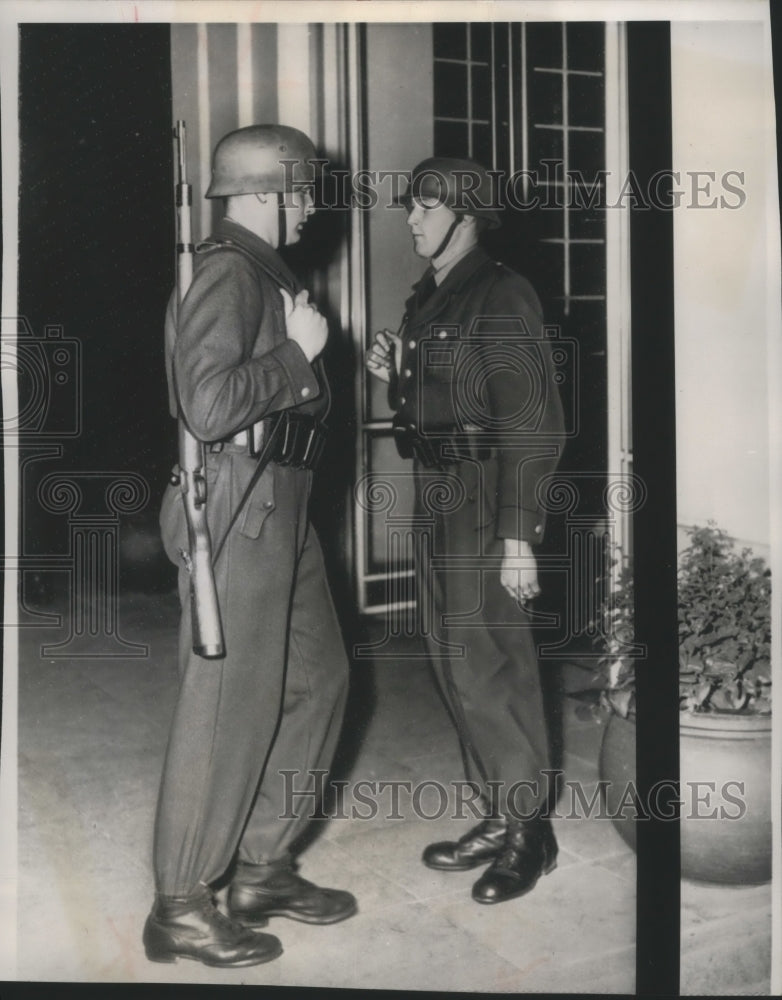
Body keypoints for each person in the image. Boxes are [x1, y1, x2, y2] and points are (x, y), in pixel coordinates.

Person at [144, 125, 356, 968]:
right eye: (303, 190)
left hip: (287, 503)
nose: (309, 208)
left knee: (321, 682)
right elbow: (207, 404)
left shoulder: (264, 274)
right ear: (271, 190)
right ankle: (182, 902)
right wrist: (300, 358)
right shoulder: (230, 272)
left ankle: (263, 865)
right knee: (227, 705)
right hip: (245, 508)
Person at [366, 157, 564, 905]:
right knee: (453, 663)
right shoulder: (436, 293)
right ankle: (498, 810)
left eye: (424, 207)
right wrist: (396, 371)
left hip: (484, 498)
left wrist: (519, 535)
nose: (411, 219)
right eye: (412, 205)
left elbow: (532, 418)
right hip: (440, 490)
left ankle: (529, 835)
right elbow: (452, 392)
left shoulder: (502, 291)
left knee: (489, 664)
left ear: (466, 214)